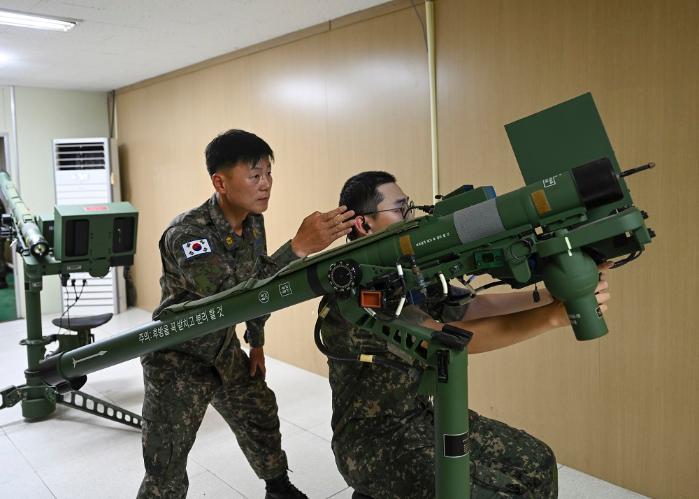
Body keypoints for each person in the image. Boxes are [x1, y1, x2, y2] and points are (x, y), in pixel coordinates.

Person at [318, 171, 612, 498]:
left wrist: (549, 294)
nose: (411, 216)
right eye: (401, 209)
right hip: (374, 444)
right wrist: (553, 318)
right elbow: (453, 338)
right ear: (364, 224)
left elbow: (472, 306)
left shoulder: (404, 274)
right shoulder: (355, 296)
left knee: (538, 461)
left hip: (423, 418)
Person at [139, 129, 354, 499]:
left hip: (222, 348)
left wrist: (256, 343)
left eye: (269, 173)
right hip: (178, 357)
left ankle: (278, 488)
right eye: (255, 175)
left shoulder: (253, 222)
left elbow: (260, 289)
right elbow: (230, 297)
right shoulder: (187, 234)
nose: (266, 184)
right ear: (220, 182)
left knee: (259, 415)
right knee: (167, 462)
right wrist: (298, 249)